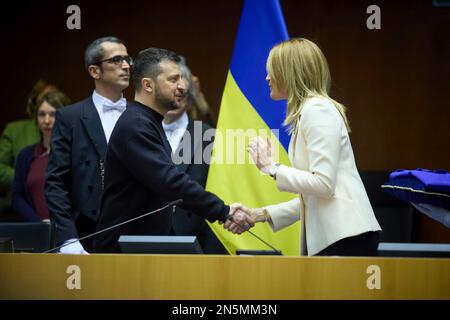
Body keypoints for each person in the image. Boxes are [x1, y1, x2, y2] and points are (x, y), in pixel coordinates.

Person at [93, 48, 253, 253]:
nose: (183, 86)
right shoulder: (136, 125)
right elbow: (170, 181)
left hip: (138, 251)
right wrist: (223, 210)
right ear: (148, 85)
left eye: (183, 79)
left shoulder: (148, 122)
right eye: (174, 79)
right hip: (121, 256)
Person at [245, 38, 382, 257]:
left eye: (272, 71)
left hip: (346, 238)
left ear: (289, 73)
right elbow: (314, 199)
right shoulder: (308, 112)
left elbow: (323, 184)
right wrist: (259, 214)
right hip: (338, 237)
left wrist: (273, 168)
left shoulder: (317, 109)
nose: (267, 78)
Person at [45, 36, 132, 254]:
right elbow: (55, 182)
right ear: (95, 71)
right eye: (117, 60)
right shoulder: (69, 117)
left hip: (135, 231)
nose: (126, 65)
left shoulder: (142, 116)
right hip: (86, 233)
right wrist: (67, 238)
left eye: (128, 59)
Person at [162, 59, 227, 254]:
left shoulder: (210, 136)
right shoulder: (139, 133)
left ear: (190, 94)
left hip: (197, 242)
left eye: (181, 91)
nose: (175, 96)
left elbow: (219, 190)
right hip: (145, 239)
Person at [0, 79, 57, 219]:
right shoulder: (15, 130)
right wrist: (24, 177)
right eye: (42, 113)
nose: (47, 120)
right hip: (27, 207)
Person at [12, 91, 71, 222]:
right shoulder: (26, 155)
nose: (46, 120)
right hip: (36, 232)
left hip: (71, 232)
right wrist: (38, 222)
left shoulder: (74, 154)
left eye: (53, 114)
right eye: (41, 114)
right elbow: (17, 197)